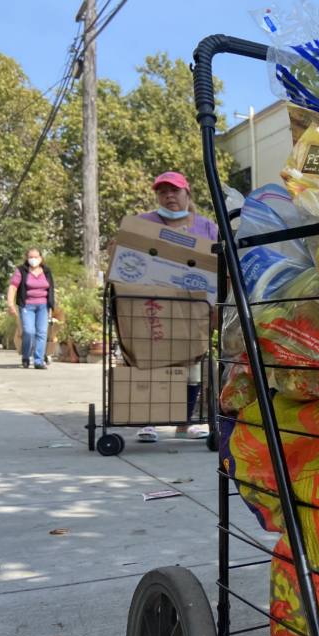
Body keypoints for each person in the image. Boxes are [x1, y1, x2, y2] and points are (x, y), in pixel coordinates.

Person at [135, 171, 219, 442]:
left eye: (174, 190)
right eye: (162, 191)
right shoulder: (144, 223)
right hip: (154, 305)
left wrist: (216, 307)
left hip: (194, 308)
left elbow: (218, 266)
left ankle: (185, 422)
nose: (168, 196)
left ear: (187, 193)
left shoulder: (206, 227)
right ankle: (148, 422)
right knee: (152, 363)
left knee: (191, 366)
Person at [7, 248, 55, 370]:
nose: (33, 259)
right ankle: (26, 356)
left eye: (36, 257)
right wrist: (10, 304)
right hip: (27, 305)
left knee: (42, 333)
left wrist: (51, 306)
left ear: (41, 258)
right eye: (30, 257)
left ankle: (38, 361)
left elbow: (51, 289)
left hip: (43, 306)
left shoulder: (46, 271)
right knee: (29, 331)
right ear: (27, 258)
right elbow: (13, 287)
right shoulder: (21, 271)